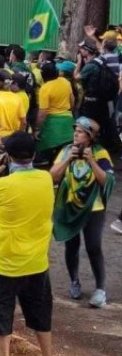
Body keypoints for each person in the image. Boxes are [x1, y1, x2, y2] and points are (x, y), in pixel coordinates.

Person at [0, 130, 62, 356]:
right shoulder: (45, 179)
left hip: (6, 264)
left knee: (1, 316)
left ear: (7, 157)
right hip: (37, 263)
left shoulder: (2, 185)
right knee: (41, 315)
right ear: (34, 155)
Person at [50, 117, 114, 309]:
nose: (75, 134)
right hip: (70, 206)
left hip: (94, 208)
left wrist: (91, 161)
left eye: (79, 132)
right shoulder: (66, 151)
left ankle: (100, 289)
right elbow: (52, 175)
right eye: (75, 131)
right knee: (72, 245)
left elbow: (107, 181)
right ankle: (74, 281)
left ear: (89, 136)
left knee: (94, 246)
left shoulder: (100, 153)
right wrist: (68, 159)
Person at [34, 62, 75, 164]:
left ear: (44, 75)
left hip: (52, 124)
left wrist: (37, 129)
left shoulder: (45, 88)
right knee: (63, 154)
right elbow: (72, 100)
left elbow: (42, 112)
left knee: (42, 148)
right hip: (68, 121)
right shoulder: (66, 82)